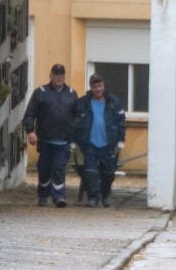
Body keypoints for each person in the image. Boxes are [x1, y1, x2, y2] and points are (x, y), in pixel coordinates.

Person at [21, 63, 78, 208]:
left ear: (64, 76)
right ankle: (43, 194)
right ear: (50, 75)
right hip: (46, 140)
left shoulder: (71, 94)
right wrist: (30, 131)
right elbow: (30, 114)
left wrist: (74, 136)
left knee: (59, 168)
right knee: (44, 168)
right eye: (56, 74)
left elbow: (78, 117)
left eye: (61, 74)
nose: (59, 77)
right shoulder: (40, 93)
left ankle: (59, 197)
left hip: (64, 141)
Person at [72, 75, 127, 207]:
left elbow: (121, 122)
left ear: (104, 86)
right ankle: (93, 197)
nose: (98, 89)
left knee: (108, 172)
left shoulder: (114, 102)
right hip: (89, 143)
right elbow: (75, 122)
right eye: (95, 87)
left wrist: (121, 140)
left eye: (100, 86)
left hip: (108, 143)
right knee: (90, 171)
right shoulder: (83, 103)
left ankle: (106, 194)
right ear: (91, 87)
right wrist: (74, 140)